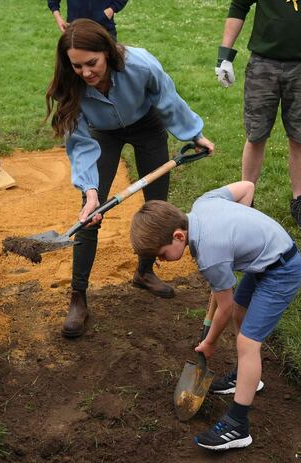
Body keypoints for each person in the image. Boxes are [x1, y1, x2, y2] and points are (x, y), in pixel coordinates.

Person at [45, 19, 215, 338]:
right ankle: (78, 297)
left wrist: (194, 134)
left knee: (157, 207)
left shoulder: (140, 65)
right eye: (77, 65)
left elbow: (168, 99)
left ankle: (144, 272)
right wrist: (91, 191)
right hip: (103, 135)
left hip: (147, 125)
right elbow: (80, 145)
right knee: (89, 215)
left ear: (107, 52)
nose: (85, 72)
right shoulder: (72, 84)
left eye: (92, 63)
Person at [130, 181, 301, 450]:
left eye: (161, 255)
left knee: (248, 342)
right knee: (242, 316)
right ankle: (246, 378)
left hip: (281, 271)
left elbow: (225, 306)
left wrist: (209, 343)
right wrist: (237, 238)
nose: (160, 262)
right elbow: (247, 187)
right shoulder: (202, 203)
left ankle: (237, 425)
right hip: (267, 260)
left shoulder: (210, 255)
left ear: (178, 236)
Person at [214, 0, 301, 232]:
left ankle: (299, 202)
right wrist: (224, 55)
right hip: (263, 63)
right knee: (256, 134)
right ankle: (246, 199)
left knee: (300, 135)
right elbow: (239, 6)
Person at [48, 0, 128, 41]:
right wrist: (58, 18)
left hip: (103, 26)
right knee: (77, 67)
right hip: (76, 27)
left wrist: (111, 9)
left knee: (109, 65)